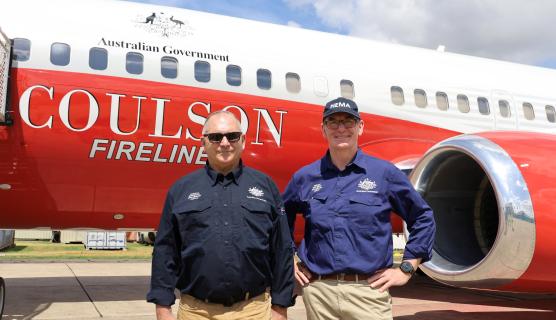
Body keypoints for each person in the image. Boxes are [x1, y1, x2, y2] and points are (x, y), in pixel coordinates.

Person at [283, 97, 435, 320]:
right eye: (333, 122)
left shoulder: (384, 173)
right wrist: (290, 258)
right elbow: (279, 217)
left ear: (360, 127)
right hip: (319, 294)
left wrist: (407, 268)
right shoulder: (305, 177)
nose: (341, 128)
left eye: (348, 122)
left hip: (368, 293)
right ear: (323, 129)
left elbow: (423, 217)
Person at [147, 111, 294, 320]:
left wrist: (280, 307)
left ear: (242, 140)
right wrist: (162, 307)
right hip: (195, 312)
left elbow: (281, 250)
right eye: (215, 137)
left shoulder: (266, 187)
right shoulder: (181, 190)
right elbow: (165, 251)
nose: (224, 143)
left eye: (232, 136)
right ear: (203, 142)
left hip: (252, 311)